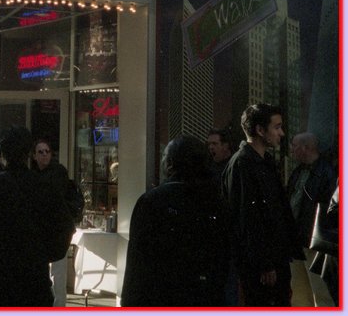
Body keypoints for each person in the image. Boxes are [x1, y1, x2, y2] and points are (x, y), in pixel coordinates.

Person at [0, 126, 74, 307]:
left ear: (1, 153)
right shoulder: (44, 188)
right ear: (29, 153)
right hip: (33, 279)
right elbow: (64, 228)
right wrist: (44, 255)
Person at [121, 136, 229, 306]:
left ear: (170, 163)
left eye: (164, 157)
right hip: (204, 295)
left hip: (161, 296)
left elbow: (138, 263)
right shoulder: (214, 200)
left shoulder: (152, 201)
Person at [222, 103, 303, 306]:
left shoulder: (263, 161)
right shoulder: (243, 164)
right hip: (262, 267)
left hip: (273, 261)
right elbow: (247, 218)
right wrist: (265, 264)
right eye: (276, 127)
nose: (281, 133)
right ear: (260, 130)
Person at [31, 138, 80, 306]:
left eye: (47, 151)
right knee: (49, 271)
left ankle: (58, 306)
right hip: (49, 230)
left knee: (58, 272)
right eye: (40, 152)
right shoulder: (36, 175)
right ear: (34, 156)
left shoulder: (57, 173)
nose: (44, 155)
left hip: (58, 230)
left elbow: (52, 200)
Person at [287, 132, 337, 248]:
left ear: (306, 148)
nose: (291, 149)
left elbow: (329, 210)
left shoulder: (327, 174)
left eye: (294, 145)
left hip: (312, 239)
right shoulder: (297, 171)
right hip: (295, 237)